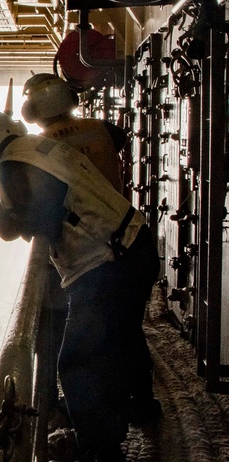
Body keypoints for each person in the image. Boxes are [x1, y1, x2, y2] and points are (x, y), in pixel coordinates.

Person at [0, 110, 159, 462]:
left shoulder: (11, 166)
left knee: (79, 363)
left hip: (106, 262)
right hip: (129, 246)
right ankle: (112, 435)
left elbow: (44, 223)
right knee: (113, 349)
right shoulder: (35, 148)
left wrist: (5, 221)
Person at [21, 73, 161, 425]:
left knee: (88, 341)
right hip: (125, 232)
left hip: (95, 247)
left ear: (32, 108)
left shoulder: (43, 147)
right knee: (128, 330)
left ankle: (89, 416)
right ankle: (143, 403)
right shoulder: (103, 129)